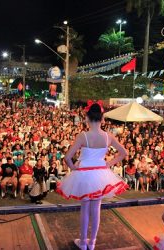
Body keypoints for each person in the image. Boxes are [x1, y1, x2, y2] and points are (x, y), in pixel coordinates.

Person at [56, 101, 128, 250]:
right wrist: (109, 164)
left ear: (87, 118)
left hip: (85, 173)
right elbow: (124, 153)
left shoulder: (83, 136)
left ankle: (83, 242)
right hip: (100, 174)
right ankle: (92, 242)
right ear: (102, 118)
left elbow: (67, 157)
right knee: (96, 209)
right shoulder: (108, 136)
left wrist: (74, 168)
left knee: (85, 208)